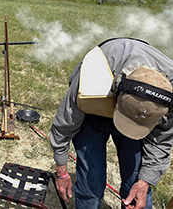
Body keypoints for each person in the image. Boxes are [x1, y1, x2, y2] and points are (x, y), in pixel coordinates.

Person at [50, 38, 173, 209]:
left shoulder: (170, 99)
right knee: (91, 182)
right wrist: (61, 170)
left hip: (133, 105)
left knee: (136, 183)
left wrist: (145, 182)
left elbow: (161, 143)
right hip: (98, 101)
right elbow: (65, 122)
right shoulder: (92, 77)